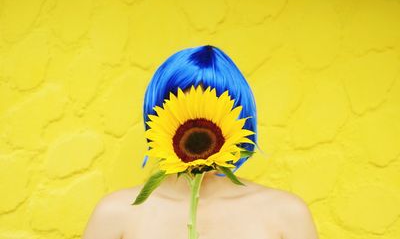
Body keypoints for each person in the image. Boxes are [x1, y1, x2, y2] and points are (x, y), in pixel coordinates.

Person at [83, 45, 319, 239]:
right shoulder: (115, 215)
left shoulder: (286, 215)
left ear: (240, 121)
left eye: (214, 113)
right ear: (156, 121)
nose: (198, 128)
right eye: (180, 114)